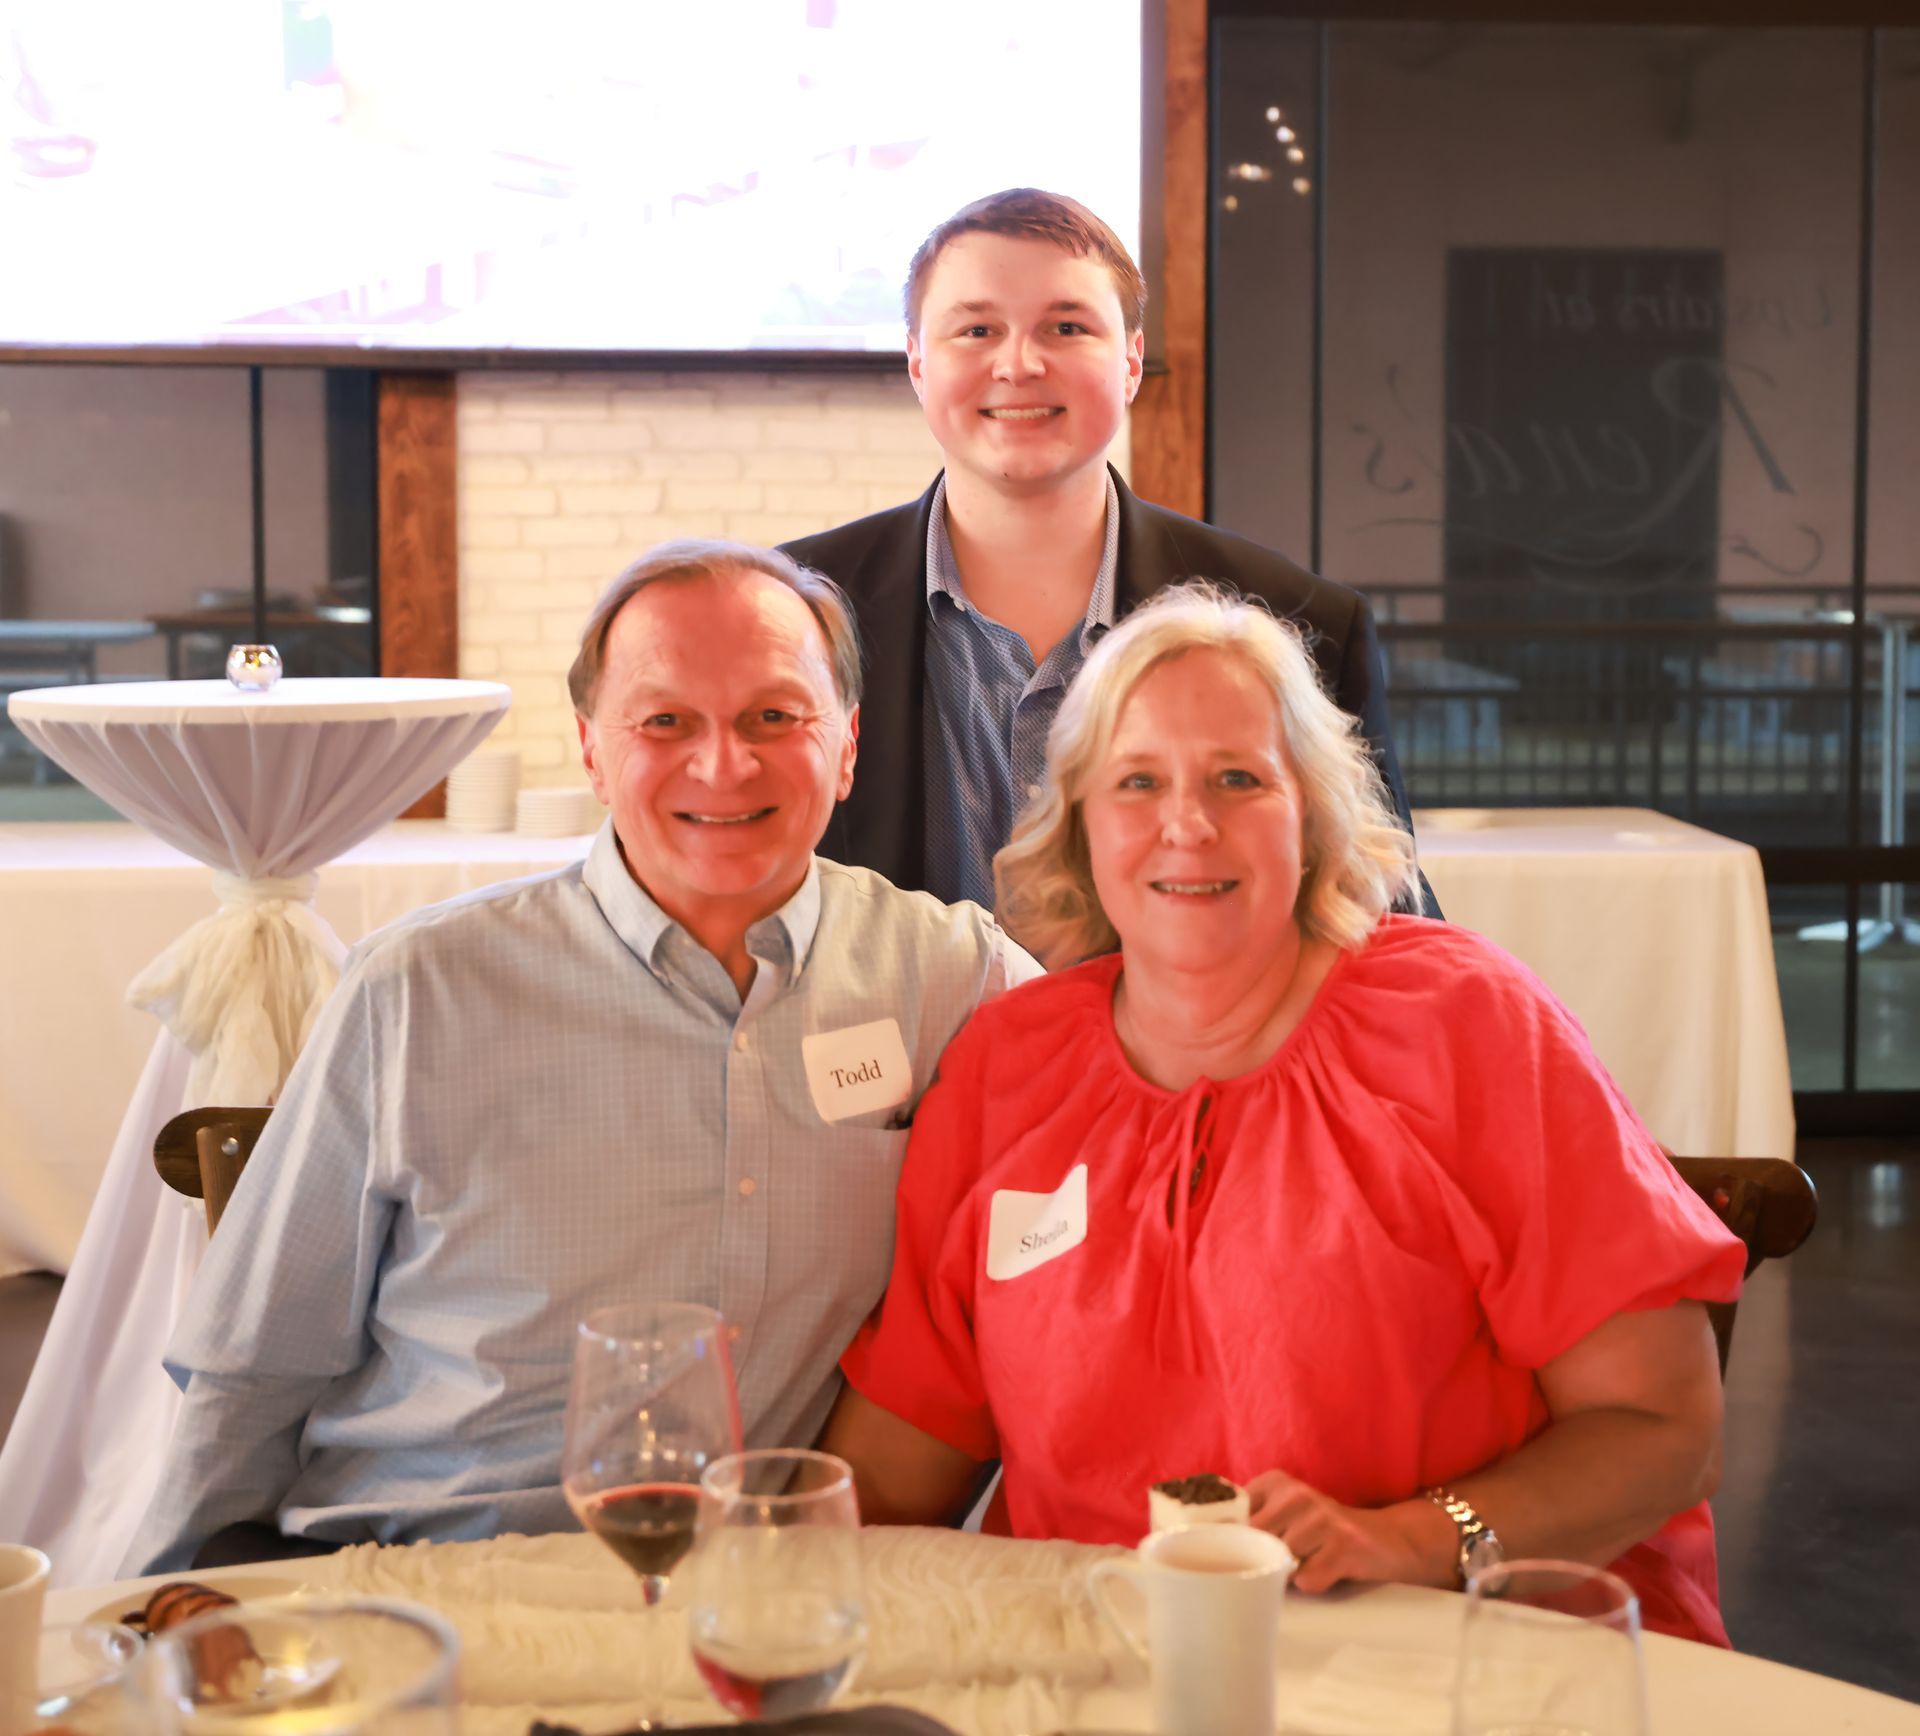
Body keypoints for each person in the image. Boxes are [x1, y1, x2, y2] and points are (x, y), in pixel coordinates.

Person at [822, 582, 1744, 1646]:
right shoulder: (1003, 1065)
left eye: (1237, 778)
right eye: (1136, 781)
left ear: (1309, 814)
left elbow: (1664, 1424)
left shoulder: (1462, 1026)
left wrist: (1409, 1537)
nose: (1187, 823)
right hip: (1101, 1675)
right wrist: (755, 1558)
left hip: (1461, 1662)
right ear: (1077, 827)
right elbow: (904, 1447)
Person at [128, 540, 1040, 1574]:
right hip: (436, 1567)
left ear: (848, 747)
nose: (723, 763)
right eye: (664, 722)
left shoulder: (953, 977)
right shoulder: (417, 991)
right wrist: (170, 1605)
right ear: (593, 752)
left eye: (775, 716)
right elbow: (250, 1368)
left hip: (751, 1593)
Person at [782, 187, 1428, 913]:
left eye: (1065, 326)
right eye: (976, 331)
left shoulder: (1299, 623)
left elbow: (1380, 917)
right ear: (917, 363)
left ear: (1130, 361)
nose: (1019, 363)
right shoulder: (790, 611)